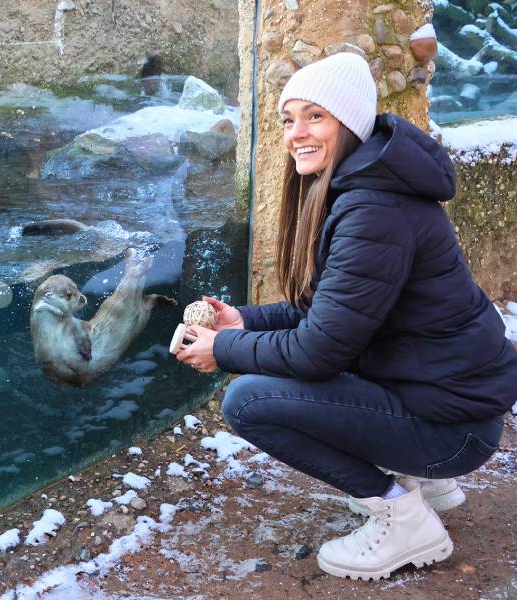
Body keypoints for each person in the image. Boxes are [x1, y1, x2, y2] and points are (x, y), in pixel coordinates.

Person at [175, 51, 517, 581]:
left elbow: (318, 349)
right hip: (451, 405)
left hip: (455, 428)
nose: (296, 133)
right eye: (289, 119)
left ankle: (404, 518)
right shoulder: (368, 191)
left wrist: (221, 350)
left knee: (250, 400)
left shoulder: (373, 211)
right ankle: (423, 482)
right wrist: (243, 320)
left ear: (350, 124)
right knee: (281, 374)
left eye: (316, 116)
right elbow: (331, 311)